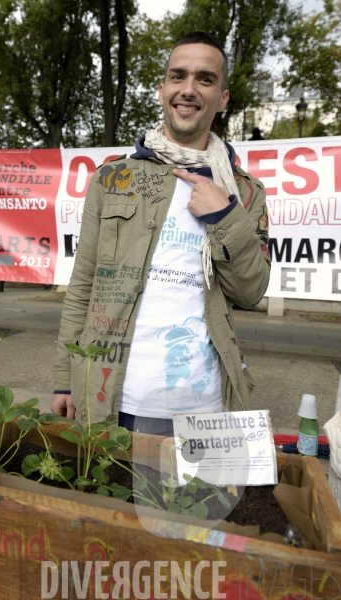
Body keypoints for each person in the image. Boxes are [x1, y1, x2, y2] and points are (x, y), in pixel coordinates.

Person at [52, 31, 271, 435]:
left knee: (192, 501)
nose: (188, 89)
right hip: (111, 395)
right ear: (162, 89)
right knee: (104, 499)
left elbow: (250, 292)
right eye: (178, 76)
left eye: (205, 79)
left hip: (203, 404)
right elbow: (83, 282)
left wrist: (224, 215)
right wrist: (65, 377)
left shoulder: (244, 192)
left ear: (222, 98)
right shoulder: (112, 178)